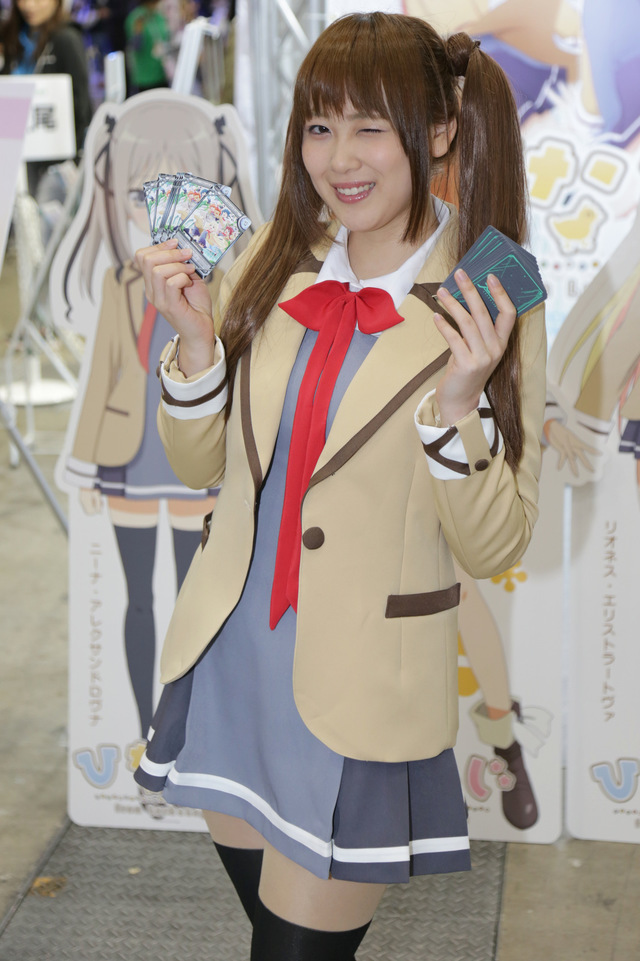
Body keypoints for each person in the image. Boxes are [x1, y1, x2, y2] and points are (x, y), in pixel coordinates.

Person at [134, 12, 547, 958]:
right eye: (320, 126)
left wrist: (458, 403)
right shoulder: (264, 264)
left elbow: (496, 544)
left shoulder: (491, 301)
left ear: (438, 132)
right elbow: (202, 469)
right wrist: (194, 349)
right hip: (231, 661)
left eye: (370, 126)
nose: (339, 158)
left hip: (360, 692)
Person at [53, 91, 260, 810]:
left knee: (188, 598)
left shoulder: (230, 284)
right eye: (145, 190)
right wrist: (85, 463)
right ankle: (149, 731)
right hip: (127, 453)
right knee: (138, 598)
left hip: (190, 449)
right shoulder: (122, 286)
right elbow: (106, 372)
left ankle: (185, 732)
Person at [0, 0, 92, 195]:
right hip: (12, 157)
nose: (29, 6)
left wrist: (72, 163)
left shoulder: (66, 38)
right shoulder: (11, 37)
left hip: (52, 166)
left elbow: (81, 108)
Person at [124, 0, 170, 93]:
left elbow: (166, 37)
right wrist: (138, 32)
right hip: (145, 75)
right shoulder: (136, 18)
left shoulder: (158, 16)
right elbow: (135, 47)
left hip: (162, 71)